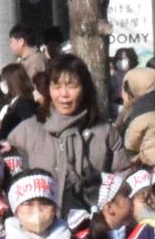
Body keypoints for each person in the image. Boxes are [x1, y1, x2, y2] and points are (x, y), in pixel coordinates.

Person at [7, 55, 122, 203]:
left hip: (94, 220)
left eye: (72, 86)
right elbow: (11, 183)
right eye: (57, 87)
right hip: (40, 220)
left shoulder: (104, 132)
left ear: (85, 89)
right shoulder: (26, 132)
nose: (64, 95)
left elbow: (122, 175)